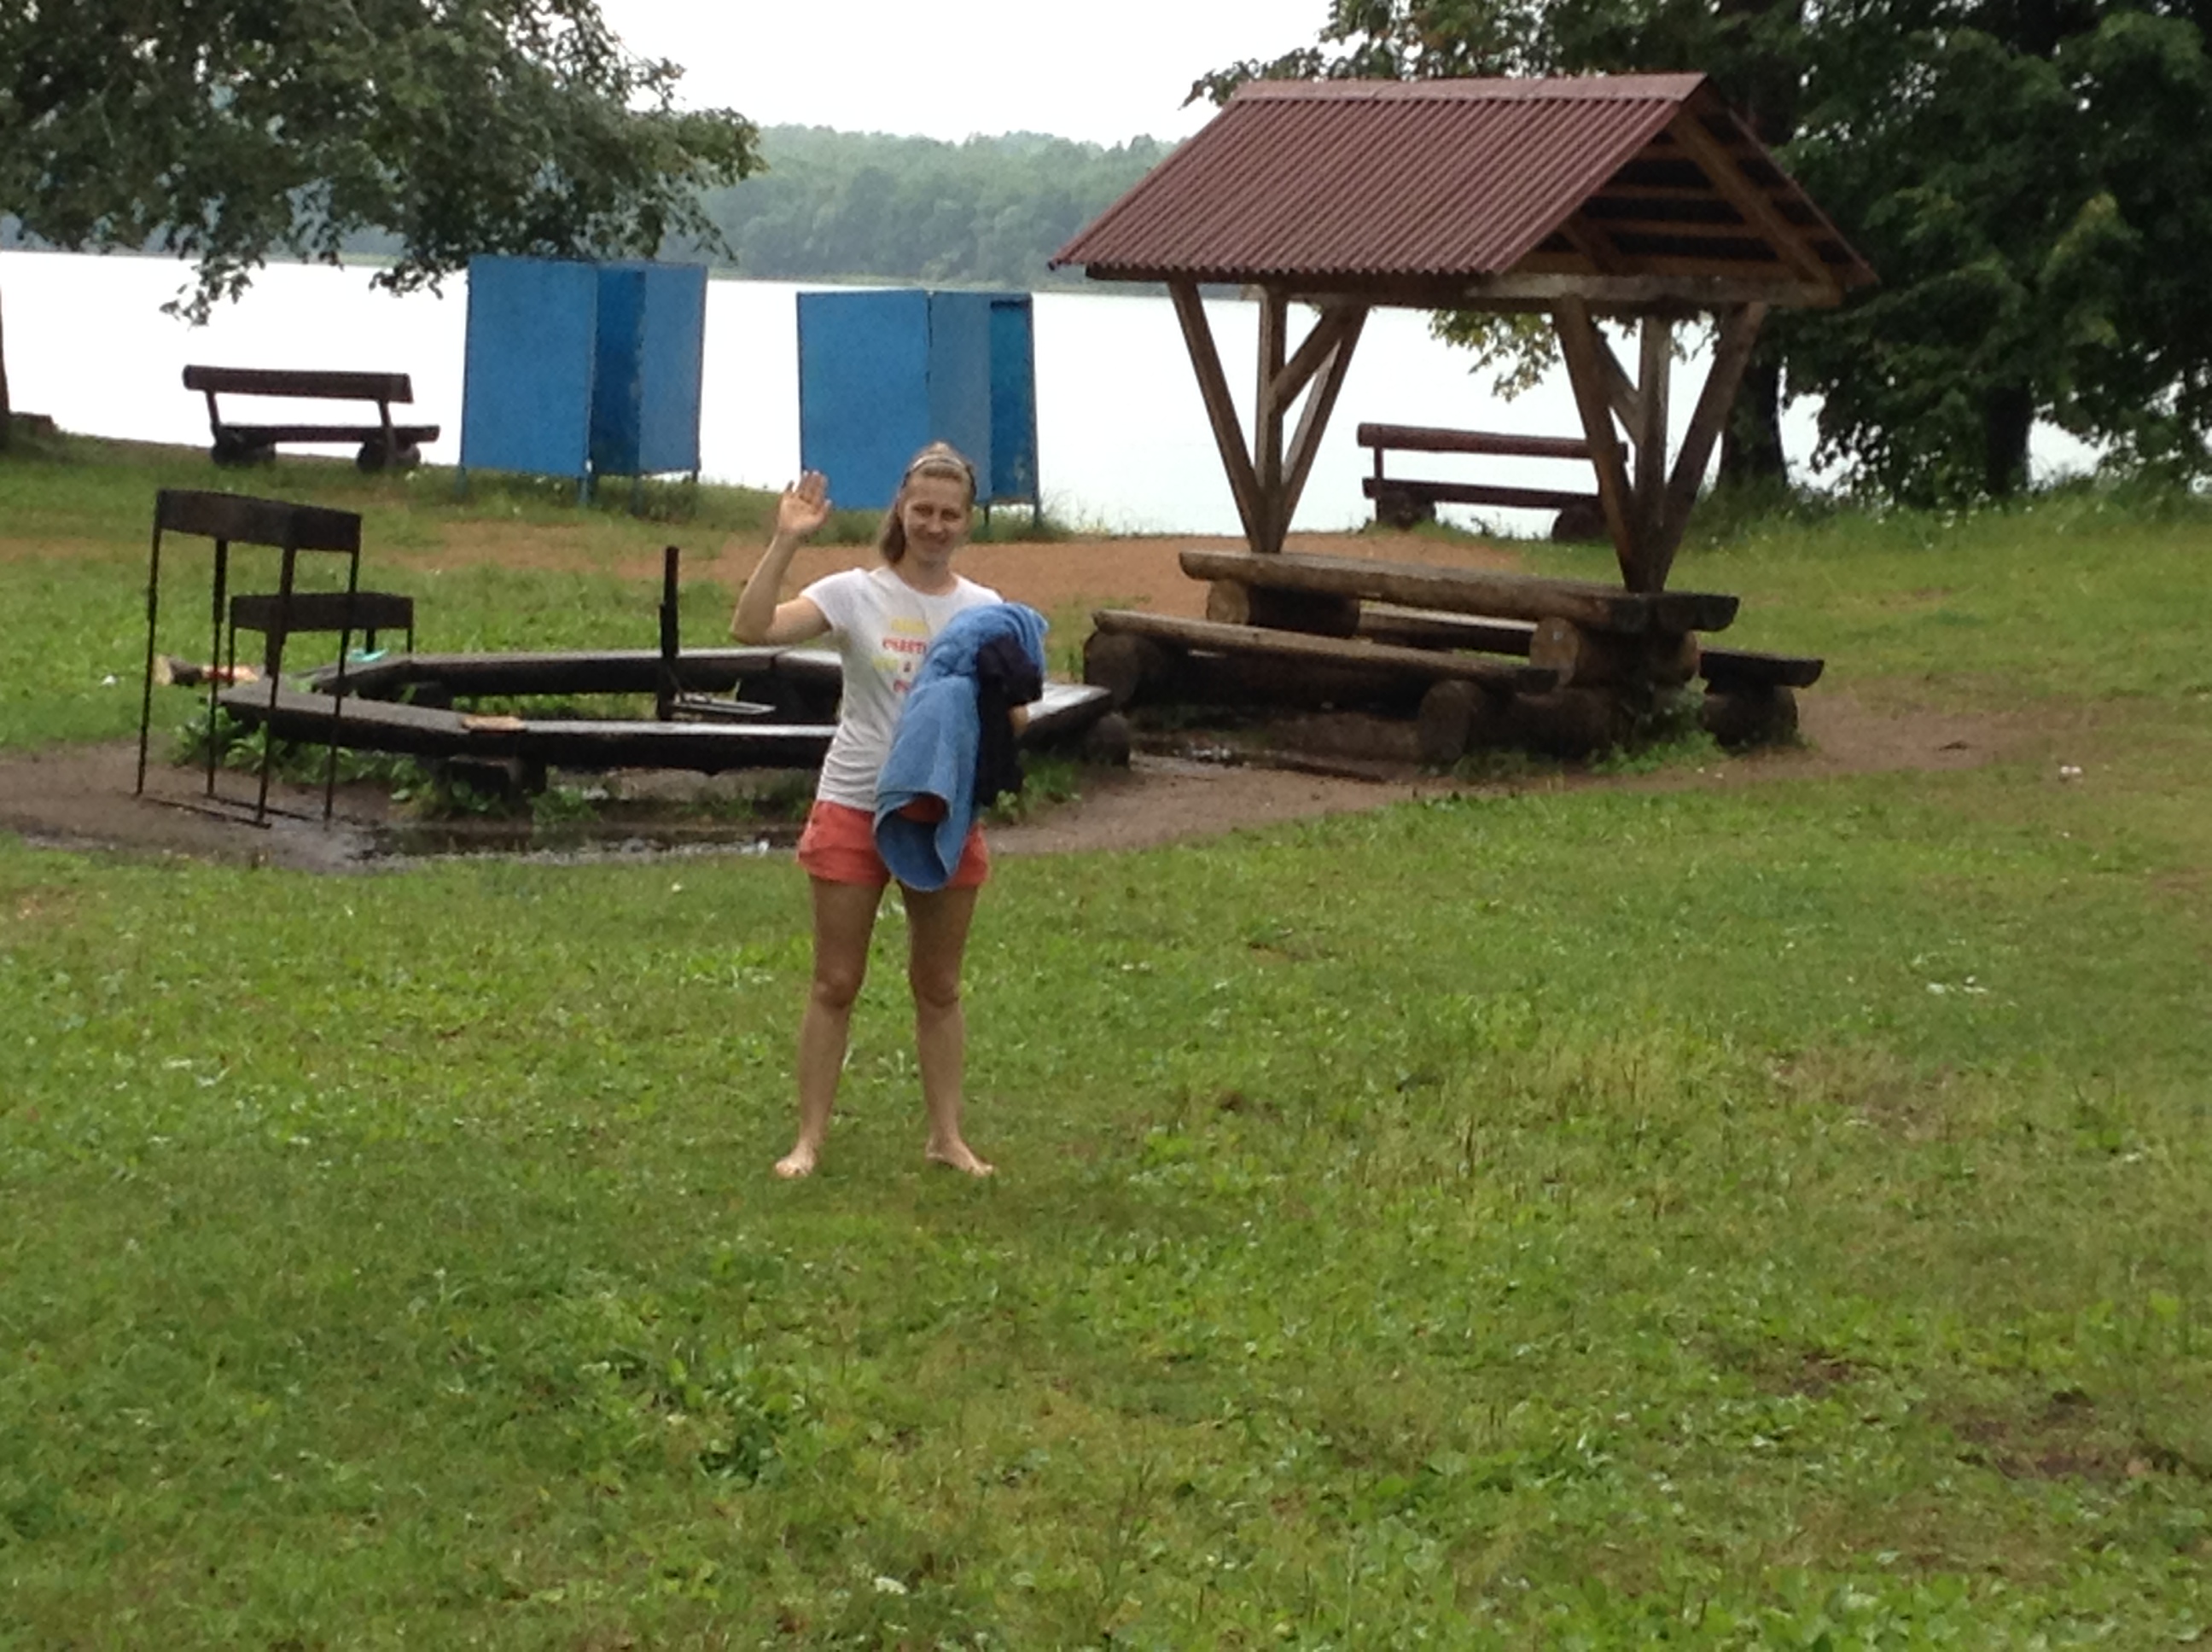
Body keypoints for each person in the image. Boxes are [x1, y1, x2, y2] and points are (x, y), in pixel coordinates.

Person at [729, 443, 1011, 1180]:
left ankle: (946, 1138)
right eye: (923, 510)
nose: (935, 526)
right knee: (835, 982)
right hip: (855, 801)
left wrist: (1004, 695)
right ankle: (808, 1141)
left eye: (950, 514)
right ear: (901, 510)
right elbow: (751, 628)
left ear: (968, 522)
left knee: (939, 986)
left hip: (941, 813)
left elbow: (1013, 720)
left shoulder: (985, 612)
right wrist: (786, 540)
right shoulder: (854, 593)